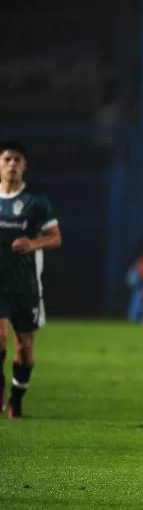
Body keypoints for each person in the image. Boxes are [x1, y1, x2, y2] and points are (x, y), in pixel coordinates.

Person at [0, 141, 62, 418]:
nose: (12, 164)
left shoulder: (37, 203)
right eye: (7, 159)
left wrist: (32, 244)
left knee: (24, 348)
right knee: (0, 337)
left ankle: (17, 397)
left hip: (25, 284)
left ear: (25, 166)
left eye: (17, 160)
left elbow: (56, 238)